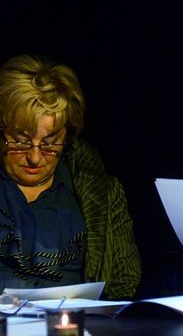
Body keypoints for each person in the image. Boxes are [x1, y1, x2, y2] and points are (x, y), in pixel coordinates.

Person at [0, 55, 141, 300]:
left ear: (67, 136)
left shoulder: (100, 194)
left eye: (50, 143)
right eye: (21, 142)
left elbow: (123, 283)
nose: (35, 157)